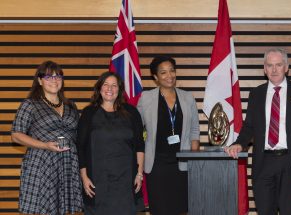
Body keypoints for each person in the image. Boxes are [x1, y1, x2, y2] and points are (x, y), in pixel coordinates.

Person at [225, 48, 291, 215]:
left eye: (279, 65)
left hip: (290, 163)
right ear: (264, 68)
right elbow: (249, 126)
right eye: (270, 65)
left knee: (288, 211)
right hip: (263, 162)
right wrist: (239, 143)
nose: (274, 69)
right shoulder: (256, 94)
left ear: (286, 67)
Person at [11, 61, 83, 214]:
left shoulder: (71, 105)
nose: (54, 80)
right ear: (39, 80)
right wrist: (45, 145)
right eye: (49, 76)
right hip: (41, 162)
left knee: (63, 210)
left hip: (67, 163)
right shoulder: (30, 104)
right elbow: (16, 135)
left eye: (58, 77)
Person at [137, 56, 200, 215]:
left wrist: (193, 161)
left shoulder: (187, 97)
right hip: (156, 164)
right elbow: (137, 131)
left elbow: (194, 131)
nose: (169, 75)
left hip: (182, 163)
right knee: (160, 209)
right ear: (155, 77)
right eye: (163, 72)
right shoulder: (146, 98)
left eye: (172, 70)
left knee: (181, 208)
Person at [76, 72, 145, 214]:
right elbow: (81, 147)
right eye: (106, 85)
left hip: (126, 180)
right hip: (97, 181)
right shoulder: (89, 113)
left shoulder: (131, 112)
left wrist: (139, 174)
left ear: (119, 90)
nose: (110, 89)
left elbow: (139, 145)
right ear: (99, 88)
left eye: (114, 85)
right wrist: (84, 177)